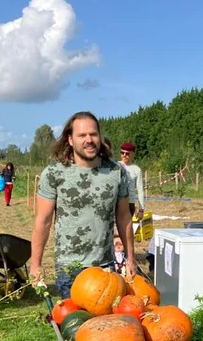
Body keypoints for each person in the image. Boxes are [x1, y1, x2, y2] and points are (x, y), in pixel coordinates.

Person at [30, 111, 136, 297]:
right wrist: (36, 264)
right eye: (82, 135)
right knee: (74, 323)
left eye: (93, 134)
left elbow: (124, 217)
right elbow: (43, 221)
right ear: (70, 140)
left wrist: (131, 258)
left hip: (105, 267)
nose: (89, 139)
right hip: (70, 267)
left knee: (105, 324)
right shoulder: (55, 173)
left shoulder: (115, 172)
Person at [120, 142, 145, 219]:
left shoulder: (137, 170)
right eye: (122, 153)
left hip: (129, 204)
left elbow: (140, 190)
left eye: (127, 153)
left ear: (133, 154)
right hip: (117, 202)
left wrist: (141, 209)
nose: (124, 155)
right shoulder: (116, 166)